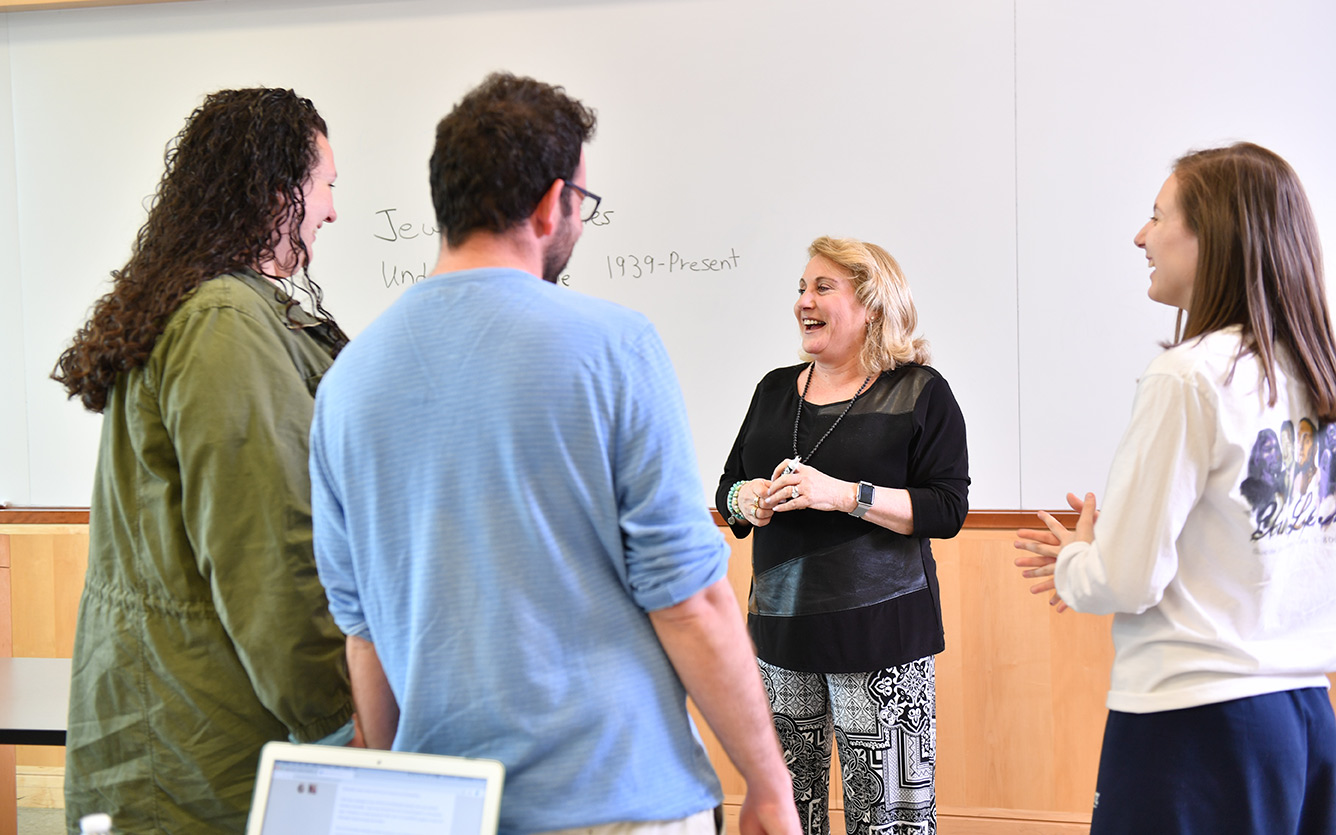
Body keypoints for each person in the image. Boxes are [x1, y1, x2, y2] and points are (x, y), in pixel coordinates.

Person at [308, 72, 800, 835]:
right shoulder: (612, 345)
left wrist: (397, 783)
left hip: (450, 806)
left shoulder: (346, 384)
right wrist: (767, 782)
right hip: (619, 799)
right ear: (551, 203)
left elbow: (363, 633)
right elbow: (688, 599)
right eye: (582, 202)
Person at [51, 88, 355, 834]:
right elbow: (270, 555)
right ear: (278, 192)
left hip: (181, 729)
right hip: (201, 752)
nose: (331, 211)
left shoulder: (212, 305)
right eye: (326, 186)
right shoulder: (222, 321)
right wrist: (342, 725)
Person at [1013, 142, 1336, 834]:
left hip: (1193, 723)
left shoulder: (1189, 376)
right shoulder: (1313, 371)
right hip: (1305, 716)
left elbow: (1127, 579)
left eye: (1158, 216)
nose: (1141, 236)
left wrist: (1079, 558)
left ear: (1214, 236)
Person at [716, 237, 970, 834]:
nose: (804, 300)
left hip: (881, 644)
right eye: (801, 288)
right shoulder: (773, 389)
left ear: (873, 305)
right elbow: (728, 486)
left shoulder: (920, 390)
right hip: (778, 642)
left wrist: (846, 495)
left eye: (822, 287)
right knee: (783, 815)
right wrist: (747, 498)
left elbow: (947, 507)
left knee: (888, 822)